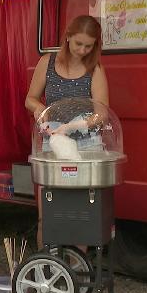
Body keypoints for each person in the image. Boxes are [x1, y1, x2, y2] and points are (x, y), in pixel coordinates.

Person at [25, 15, 109, 246]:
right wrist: (40, 108)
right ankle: (47, 268)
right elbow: (30, 99)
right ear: (68, 37)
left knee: (80, 215)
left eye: (88, 45)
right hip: (52, 143)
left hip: (86, 145)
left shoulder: (95, 69)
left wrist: (73, 126)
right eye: (78, 43)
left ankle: (75, 271)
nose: (82, 50)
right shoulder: (47, 63)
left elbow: (101, 113)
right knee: (47, 215)